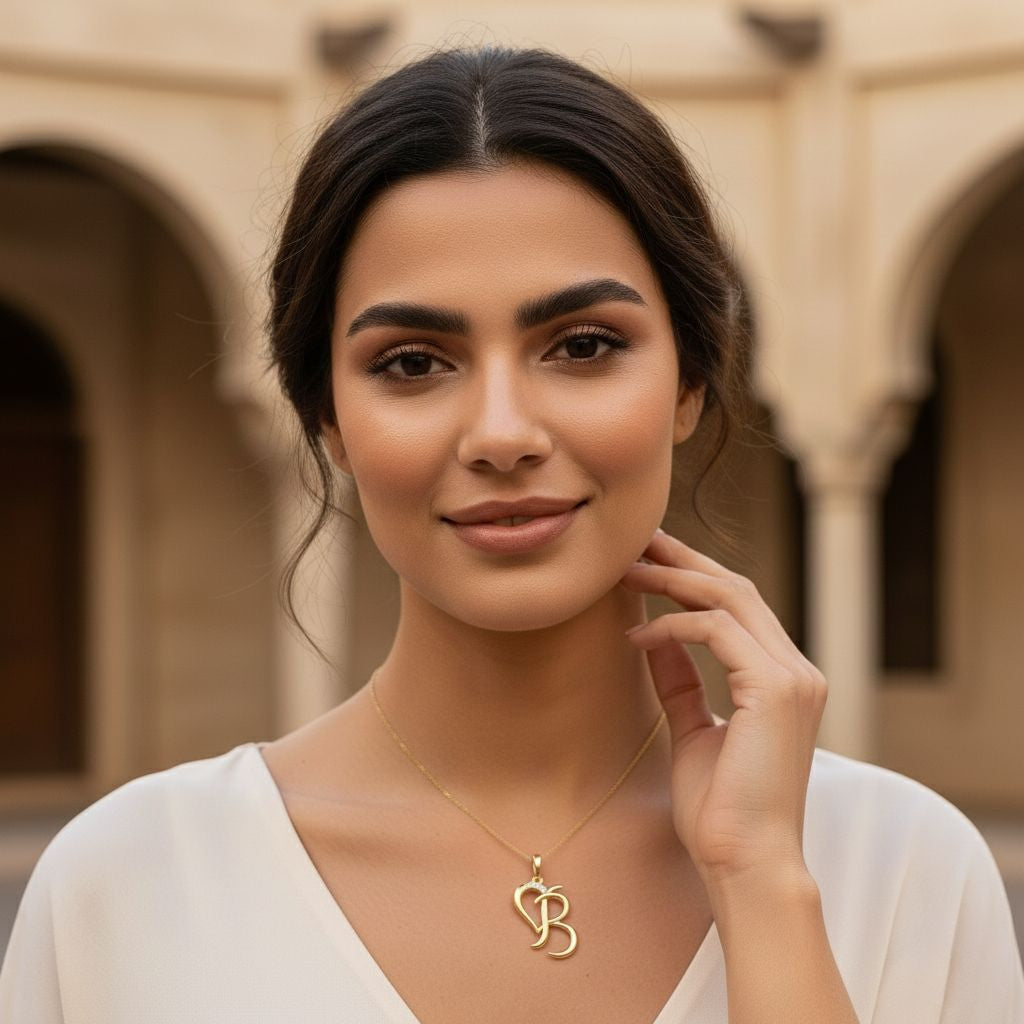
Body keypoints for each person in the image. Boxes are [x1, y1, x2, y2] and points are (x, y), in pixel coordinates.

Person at [1, 43, 1022, 1024]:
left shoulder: (899, 868)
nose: (500, 433)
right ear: (327, 421)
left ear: (689, 384)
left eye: (583, 345)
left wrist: (760, 886)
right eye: (411, 362)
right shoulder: (126, 885)